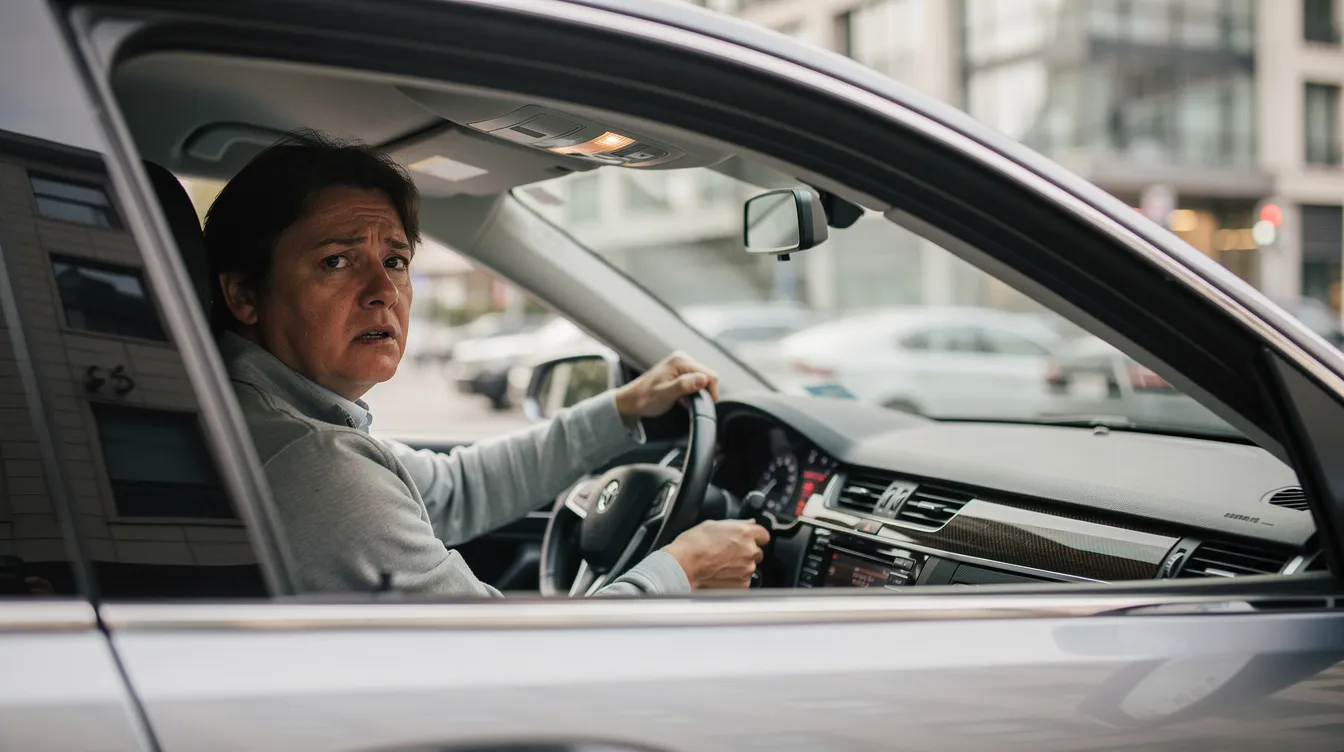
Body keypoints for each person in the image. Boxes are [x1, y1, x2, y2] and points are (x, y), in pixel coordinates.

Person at [203, 131, 768, 597]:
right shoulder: (312, 462)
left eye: (395, 259)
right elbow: (507, 657)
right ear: (244, 296)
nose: (383, 290)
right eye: (337, 261)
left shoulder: (263, 414)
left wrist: (622, 407)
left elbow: (453, 491)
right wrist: (683, 572)